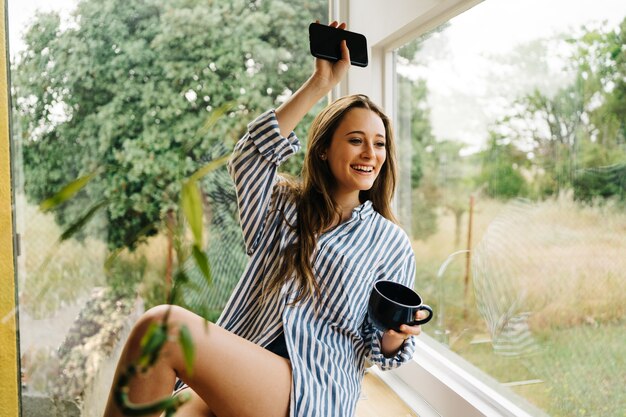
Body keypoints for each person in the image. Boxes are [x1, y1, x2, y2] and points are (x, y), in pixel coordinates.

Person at [103, 21, 425, 417]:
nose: (369, 153)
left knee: (162, 328)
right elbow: (250, 157)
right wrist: (320, 83)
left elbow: (383, 351)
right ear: (324, 149)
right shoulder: (283, 207)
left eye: (379, 144)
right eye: (356, 140)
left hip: (314, 388)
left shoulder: (390, 243)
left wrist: (395, 335)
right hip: (247, 361)